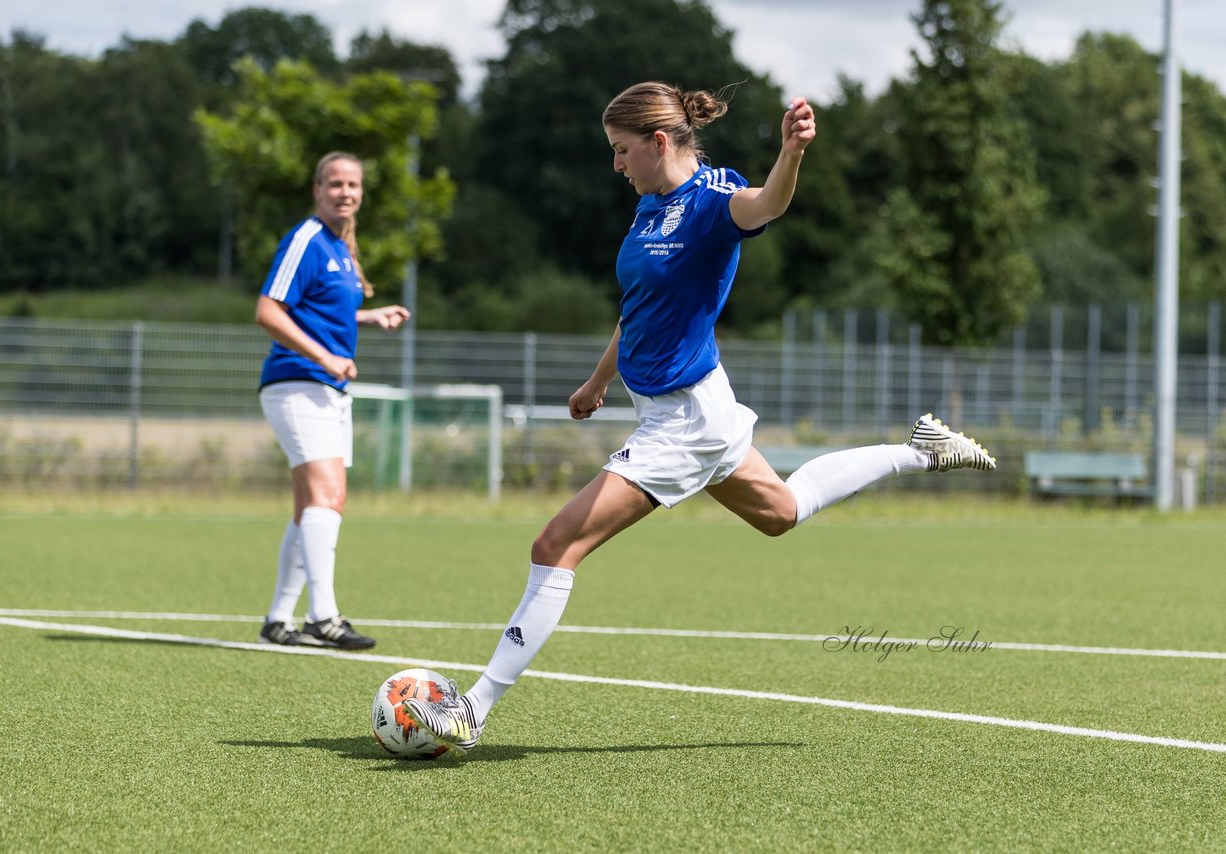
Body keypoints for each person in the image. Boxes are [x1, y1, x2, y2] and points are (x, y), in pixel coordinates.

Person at [403, 82, 995, 753]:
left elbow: (766, 203)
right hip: (686, 409)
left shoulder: (712, 201)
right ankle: (920, 449)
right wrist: (600, 379)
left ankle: (474, 708)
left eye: (622, 151)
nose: (616, 166)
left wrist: (791, 152)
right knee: (782, 511)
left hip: (684, 421)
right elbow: (637, 308)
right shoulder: (649, 210)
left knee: (554, 545)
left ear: (659, 142)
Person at [255, 151, 411, 650]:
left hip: (324, 388)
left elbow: (319, 312)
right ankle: (324, 617)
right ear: (317, 190)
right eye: (335, 184)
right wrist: (326, 357)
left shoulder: (340, 248)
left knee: (310, 508)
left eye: (353, 185)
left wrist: (368, 317)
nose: (345, 192)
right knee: (329, 497)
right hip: (298, 383)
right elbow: (268, 311)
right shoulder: (305, 239)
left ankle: (280, 621)